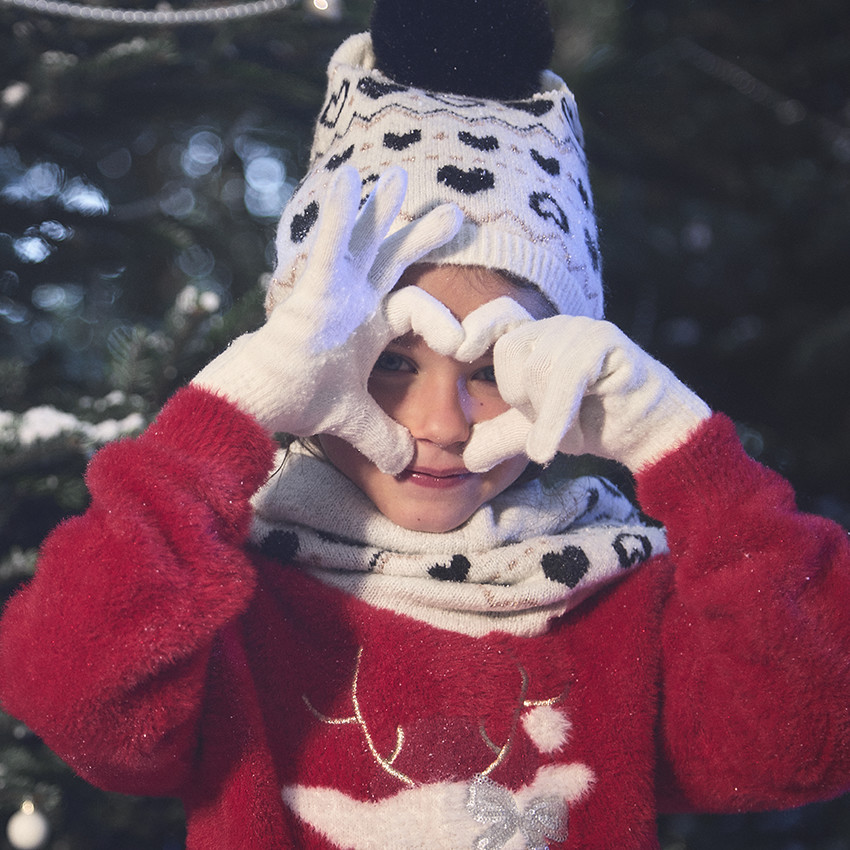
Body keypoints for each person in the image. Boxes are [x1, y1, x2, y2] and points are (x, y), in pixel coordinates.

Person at [2, 1, 850, 848]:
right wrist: (233, 409)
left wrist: (679, 446)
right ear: (308, 361)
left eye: (493, 369)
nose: (442, 425)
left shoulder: (615, 605)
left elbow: (808, 737)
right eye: (392, 362)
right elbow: (74, 698)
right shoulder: (224, 595)